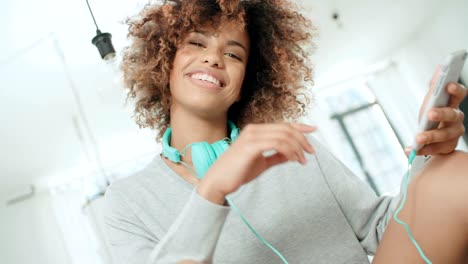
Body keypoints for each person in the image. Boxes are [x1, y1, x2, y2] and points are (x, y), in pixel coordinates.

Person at [103, 0, 468, 263]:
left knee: (454, 169)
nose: (213, 58)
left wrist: (427, 160)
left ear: (247, 81)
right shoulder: (127, 201)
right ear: (165, 62)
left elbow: (381, 227)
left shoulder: (293, 146)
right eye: (196, 44)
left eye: (233, 54)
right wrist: (212, 191)